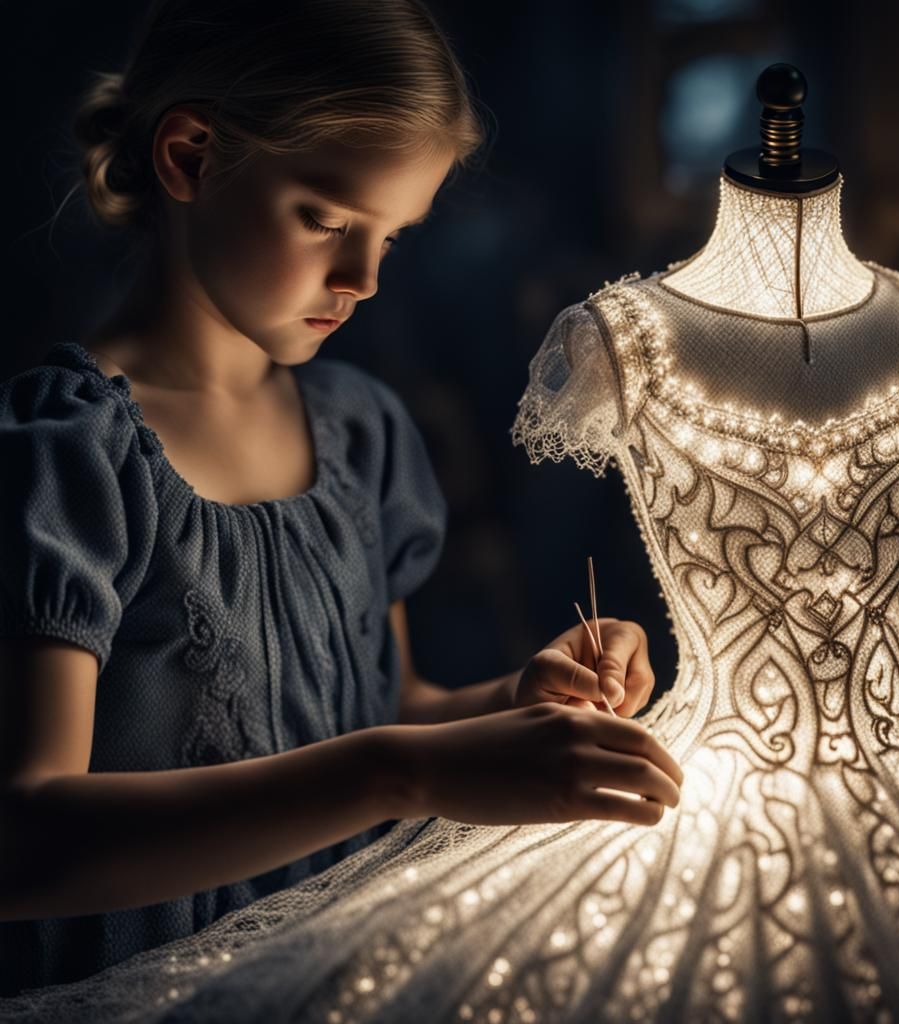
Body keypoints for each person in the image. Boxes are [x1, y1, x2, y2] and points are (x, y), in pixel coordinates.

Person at [0, 0, 683, 996]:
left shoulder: (358, 434)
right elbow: (23, 843)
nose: (361, 277)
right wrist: (405, 771)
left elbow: (386, 707)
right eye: (326, 219)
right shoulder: (65, 458)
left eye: (393, 236)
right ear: (189, 156)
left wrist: (513, 704)